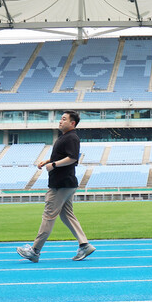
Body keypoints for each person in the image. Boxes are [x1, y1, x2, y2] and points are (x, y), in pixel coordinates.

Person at [17, 110, 95, 262]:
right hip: (65, 183)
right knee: (67, 215)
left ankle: (35, 250)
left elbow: (72, 158)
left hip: (61, 184)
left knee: (48, 216)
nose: (60, 121)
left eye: (64, 119)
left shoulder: (72, 138)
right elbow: (61, 156)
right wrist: (47, 161)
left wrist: (53, 164)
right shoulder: (65, 137)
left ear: (72, 123)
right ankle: (84, 245)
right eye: (61, 118)